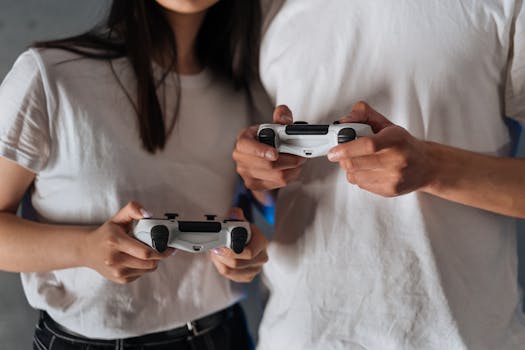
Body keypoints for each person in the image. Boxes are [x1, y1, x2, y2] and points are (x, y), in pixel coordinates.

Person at [234, 0, 525, 349]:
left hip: (455, 337)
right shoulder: (266, 10)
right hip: (297, 333)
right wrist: (260, 177)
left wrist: (432, 167)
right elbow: (271, 196)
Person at [0, 0, 268, 349]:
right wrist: (85, 249)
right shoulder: (50, 75)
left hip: (221, 334)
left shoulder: (242, 94)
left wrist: (250, 251)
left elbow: (262, 213)